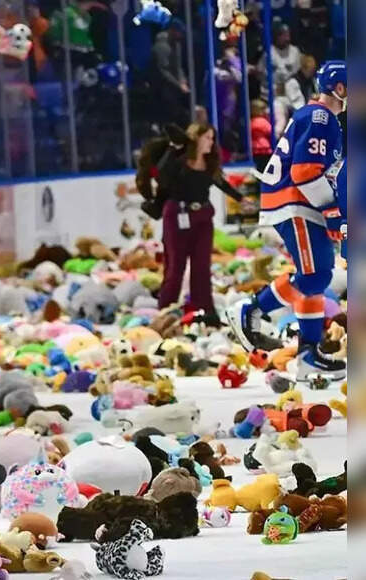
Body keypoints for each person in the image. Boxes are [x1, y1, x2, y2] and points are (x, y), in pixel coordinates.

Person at [226, 60, 347, 383]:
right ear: (340, 88)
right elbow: (305, 172)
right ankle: (250, 309)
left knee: (316, 276)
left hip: (300, 201)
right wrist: (332, 210)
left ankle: (309, 355)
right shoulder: (321, 117)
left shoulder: (319, 117)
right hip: (296, 202)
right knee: (315, 275)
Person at [156, 123, 243, 322]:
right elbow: (162, 175)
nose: (211, 143)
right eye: (207, 138)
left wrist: (240, 198)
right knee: (175, 267)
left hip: (203, 216)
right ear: (196, 139)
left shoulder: (210, 163)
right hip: (177, 214)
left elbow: (221, 183)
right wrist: (172, 149)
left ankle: (205, 310)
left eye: (212, 138)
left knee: (202, 266)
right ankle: (165, 310)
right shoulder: (178, 161)